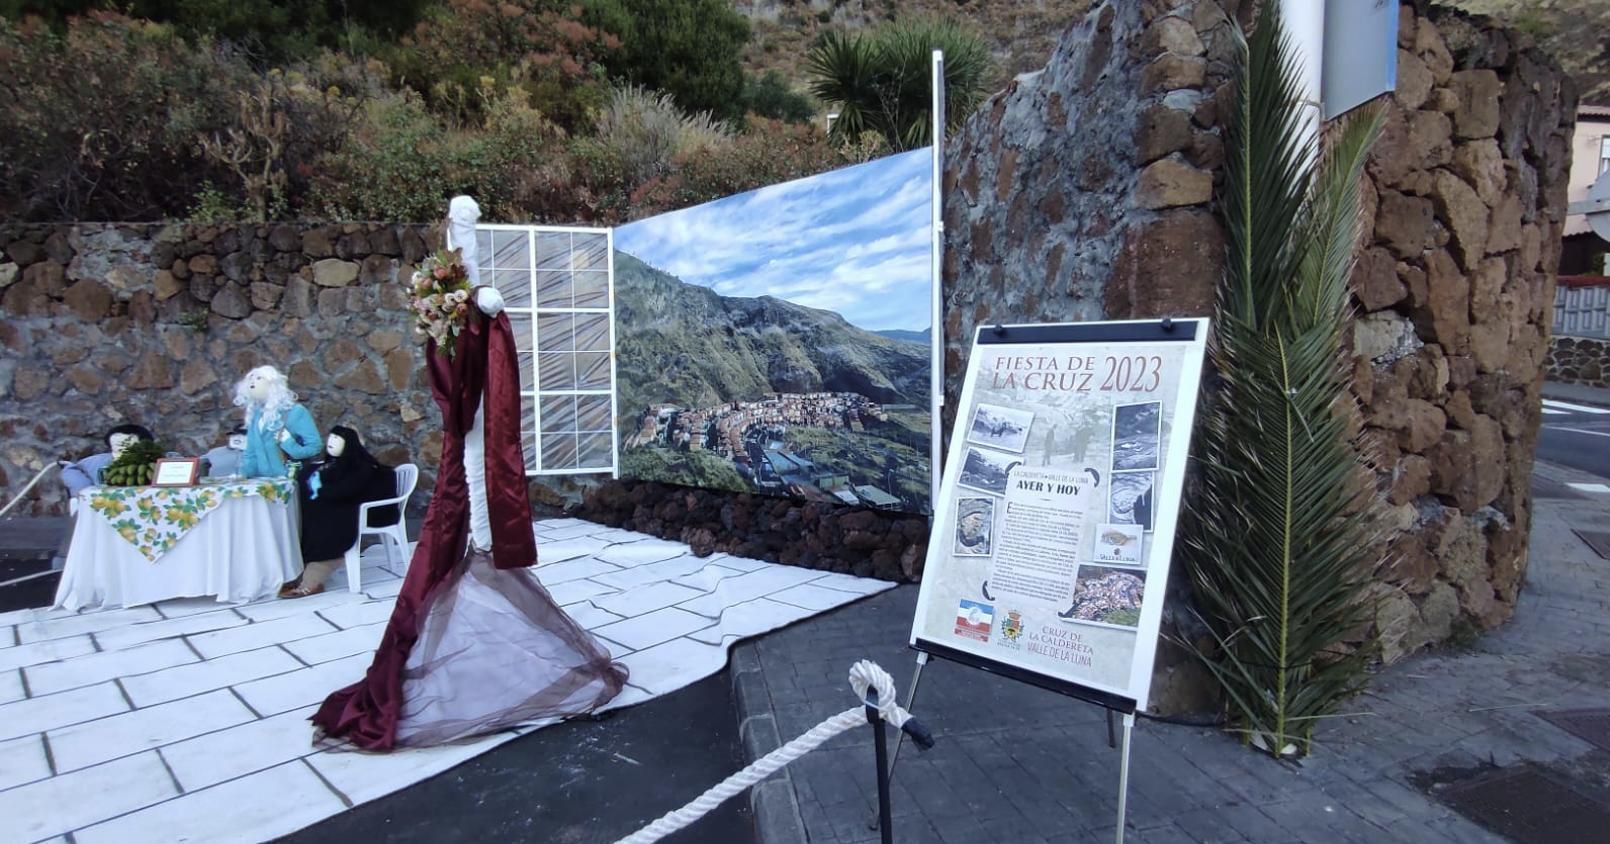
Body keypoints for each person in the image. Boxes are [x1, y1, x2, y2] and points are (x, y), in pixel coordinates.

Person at [311, 197, 626, 751]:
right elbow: (478, 420)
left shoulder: (463, 325)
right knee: (473, 512)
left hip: (470, 442)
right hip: (470, 454)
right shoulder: (467, 329)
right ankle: (489, 631)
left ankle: (485, 609)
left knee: (471, 504)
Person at [281, 426, 399, 598]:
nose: (331, 442)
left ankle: (313, 577)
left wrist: (320, 489)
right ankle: (302, 570)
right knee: (307, 516)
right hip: (344, 507)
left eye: (337, 439)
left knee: (327, 524)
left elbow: (347, 490)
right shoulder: (335, 465)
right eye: (331, 438)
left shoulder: (361, 468)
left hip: (365, 513)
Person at [233, 365, 322, 478]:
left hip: (289, 479)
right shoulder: (255, 416)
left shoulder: (295, 412)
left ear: (272, 384)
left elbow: (315, 447)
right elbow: (251, 453)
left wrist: (288, 443)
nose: (253, 382)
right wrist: (244, 474)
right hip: (263, 482)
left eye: (259, 378)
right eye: (251, 379)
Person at [61, 424, 154, 496]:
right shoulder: (96, 463)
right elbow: (71, 469)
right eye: (117, 449)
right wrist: (84, 489)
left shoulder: (155, 464)